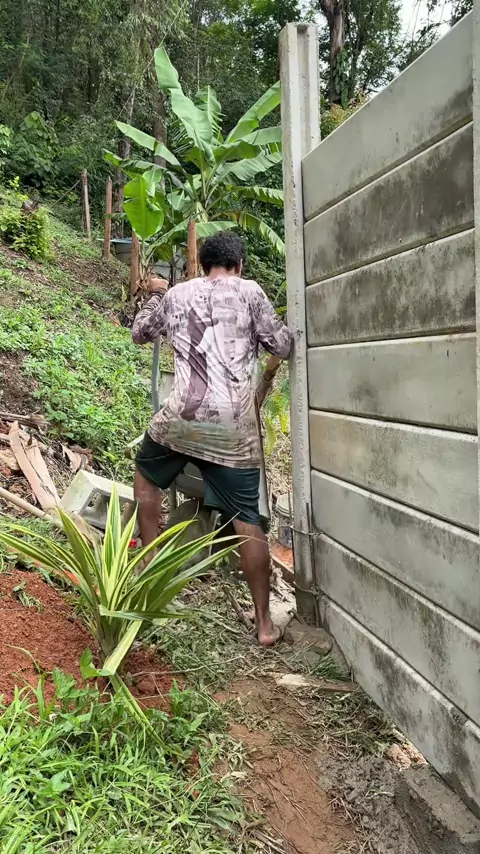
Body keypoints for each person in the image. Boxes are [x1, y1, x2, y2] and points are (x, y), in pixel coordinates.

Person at [132, 232, 292, 646]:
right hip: (233, 430)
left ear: (203, 265)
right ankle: (264, 625)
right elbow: (282, 344)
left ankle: (150, 568)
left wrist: (156, 295)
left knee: (146, 476)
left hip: (182, 418)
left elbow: (140, 332)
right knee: (247, 520)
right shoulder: (250, 292)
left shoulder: (177, 294)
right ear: (239, 265)